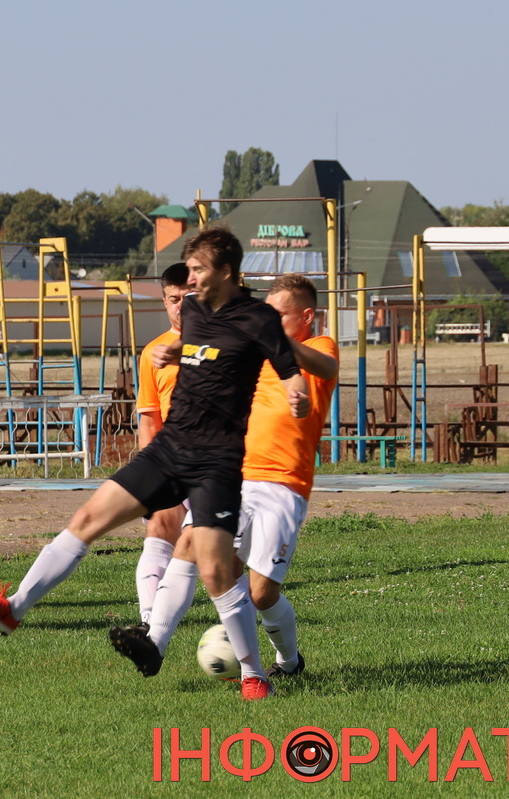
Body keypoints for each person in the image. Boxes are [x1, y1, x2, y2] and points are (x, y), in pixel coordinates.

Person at [0, 229, 309, 700]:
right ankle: (13, 609)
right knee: (88, 518)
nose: (190, 279)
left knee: (215, 573)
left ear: (227, 272)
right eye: (188, 270)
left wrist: (297, 394)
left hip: (217, 462)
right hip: (169, 449)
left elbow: (290, 370)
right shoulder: (193, 310)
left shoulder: (258, 317)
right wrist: (174, 351)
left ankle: (254, 676)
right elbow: (203, 355)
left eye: (199, 269)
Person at [109, 273, 338, 683]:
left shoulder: (319, 348)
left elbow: (325, 366)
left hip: (282, 484)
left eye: (278, 316)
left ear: (306, 316)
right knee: (191, 546)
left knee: (262, 593)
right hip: (232, 473)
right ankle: (154, 644)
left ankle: (289, 662)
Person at [133, 263, 190, 625]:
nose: (181, 306)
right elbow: (150, 418)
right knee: (158, 531)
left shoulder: (227, 342)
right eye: (174, 299)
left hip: (223, 466)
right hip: (173, 462)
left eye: (189, 297)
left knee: (218, 562)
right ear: (165, 302)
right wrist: (148, 474)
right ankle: (149, 623)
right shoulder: (153, 353)